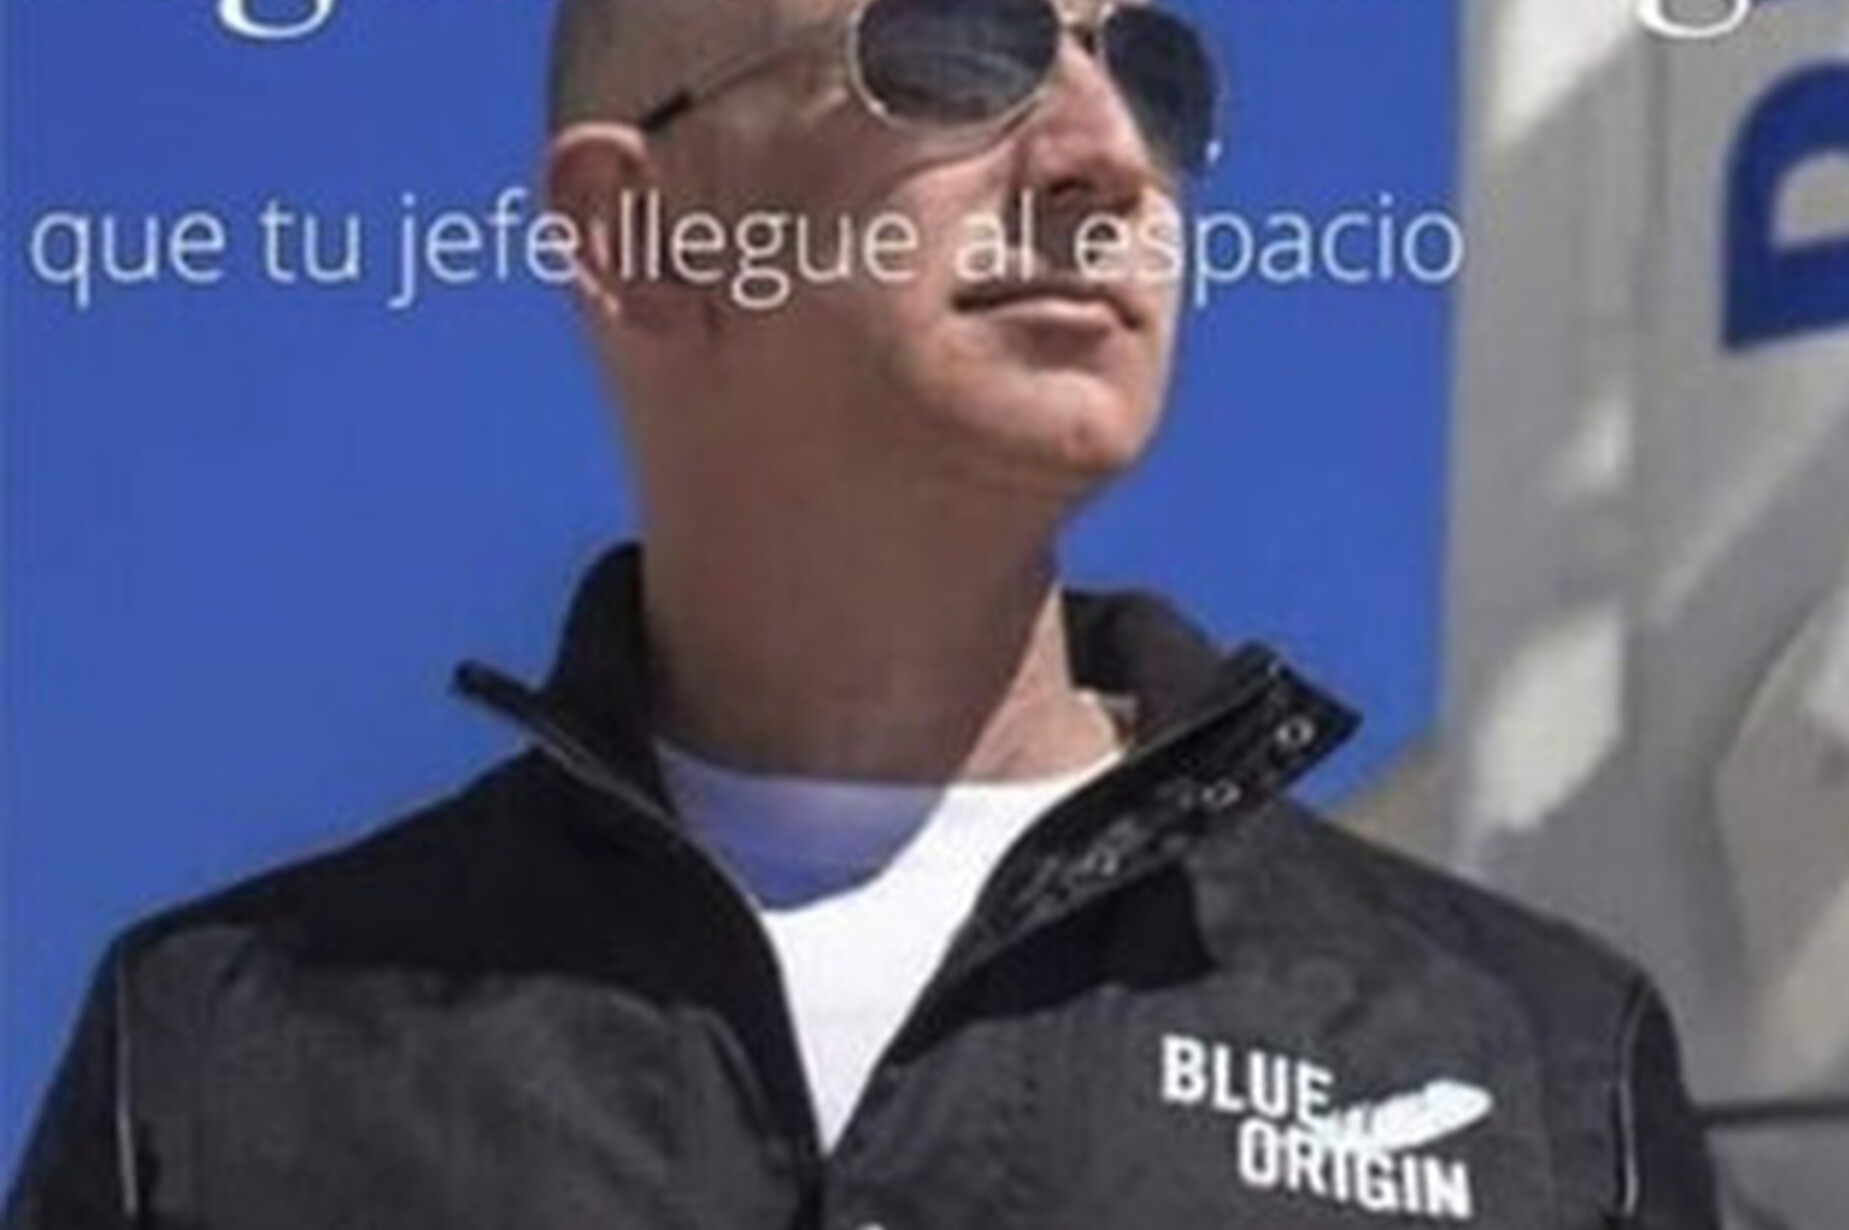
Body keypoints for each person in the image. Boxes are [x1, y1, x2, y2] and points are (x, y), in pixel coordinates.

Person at [5, 0, 1722, 1225]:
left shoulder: (1532, 1070)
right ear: (641, 231)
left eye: (1151, 68)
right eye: (958, 47)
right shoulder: (220, 1065)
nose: (1107, 156)